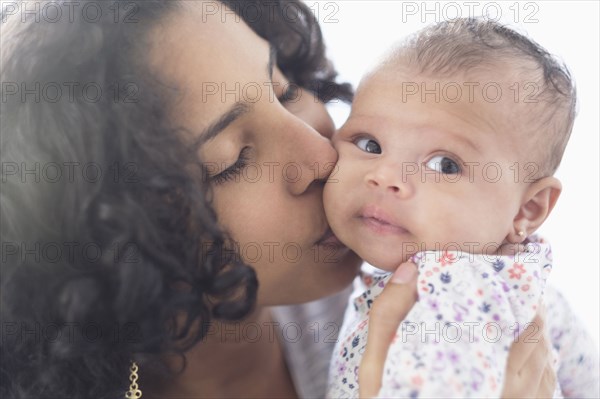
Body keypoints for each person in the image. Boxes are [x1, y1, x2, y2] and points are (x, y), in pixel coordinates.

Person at [0, 1, 558, 398]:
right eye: (231, 160)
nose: (322, 153)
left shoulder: (437, 291)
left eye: (285, 88)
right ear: (119, 243)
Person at [324, 18, 599, 398]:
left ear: (528, 210)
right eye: (370, 144)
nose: (385, 176)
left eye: (444, 165)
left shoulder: (451, 294)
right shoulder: (531, 291)